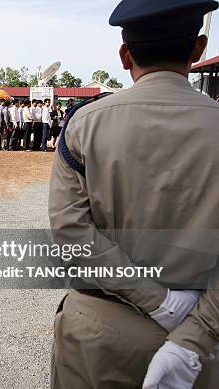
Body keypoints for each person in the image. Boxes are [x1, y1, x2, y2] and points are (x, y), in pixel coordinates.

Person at [49, 1, 219, 388]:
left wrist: (155, 300)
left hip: (100, 332)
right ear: (197, 48)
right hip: (200, 343)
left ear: (125, 55)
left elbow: (70, 231)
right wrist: (199, 328)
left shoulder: (85, 123)